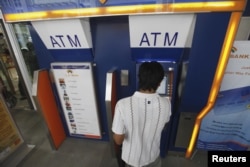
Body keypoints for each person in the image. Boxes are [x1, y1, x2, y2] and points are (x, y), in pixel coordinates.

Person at [112, 61, 172, 167]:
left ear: (140, 78)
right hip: (153, 157)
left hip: (131, 160)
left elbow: (118, 140)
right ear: (160, 82)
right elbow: (164, 124)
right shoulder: (167, 104)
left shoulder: (122, 105)